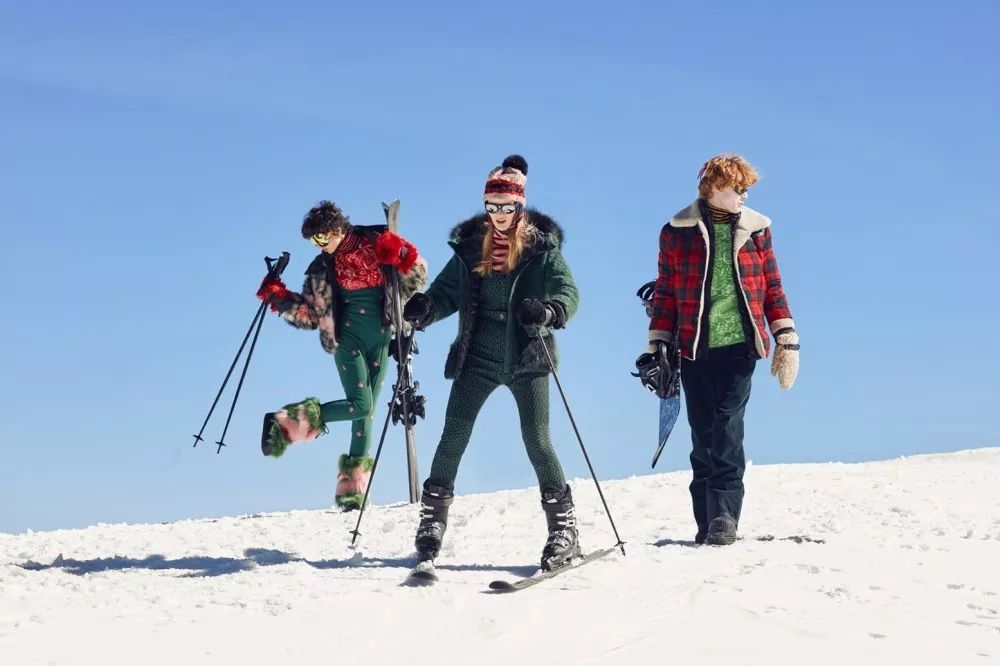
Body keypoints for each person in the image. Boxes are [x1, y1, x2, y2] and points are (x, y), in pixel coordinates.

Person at [401, 155, 581, 571]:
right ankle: (432, 520)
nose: (499, 214)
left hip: (527, 353)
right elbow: (446, 292)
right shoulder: (469, 248)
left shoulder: (541, 249)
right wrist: (427, 308)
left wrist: (551, 311)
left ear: (520, 205)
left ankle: (564, 528)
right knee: (454, 433)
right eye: (492, 206)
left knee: (537, 438)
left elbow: (568, 290)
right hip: (477, 354)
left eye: (507, 206)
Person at [644, 154, 799, 546]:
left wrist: (786, 338)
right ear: (714, 188)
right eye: (737, 188)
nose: (744, 195)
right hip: (694, 348)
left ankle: (725, 518)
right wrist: (656, 345)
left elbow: (773, 286)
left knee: (727, 428)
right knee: (702, 435)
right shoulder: (676, 231)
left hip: (741, 347)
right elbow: (665, 292)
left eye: (746, 189)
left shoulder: (757, 230)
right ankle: (705, 520)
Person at [255, 200, 427, 510]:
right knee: (361, 404)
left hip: (381, 338)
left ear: (336, 229)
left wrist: (401, 255)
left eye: (321, 238)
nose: (319, 245)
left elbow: (417, 277)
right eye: (313, 241)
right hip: (348, 339)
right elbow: (311, 314)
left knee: (366, 415)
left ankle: (352, 491)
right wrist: (278, 297)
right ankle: (284, 424)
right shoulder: (323, 267)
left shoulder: (377, 242)